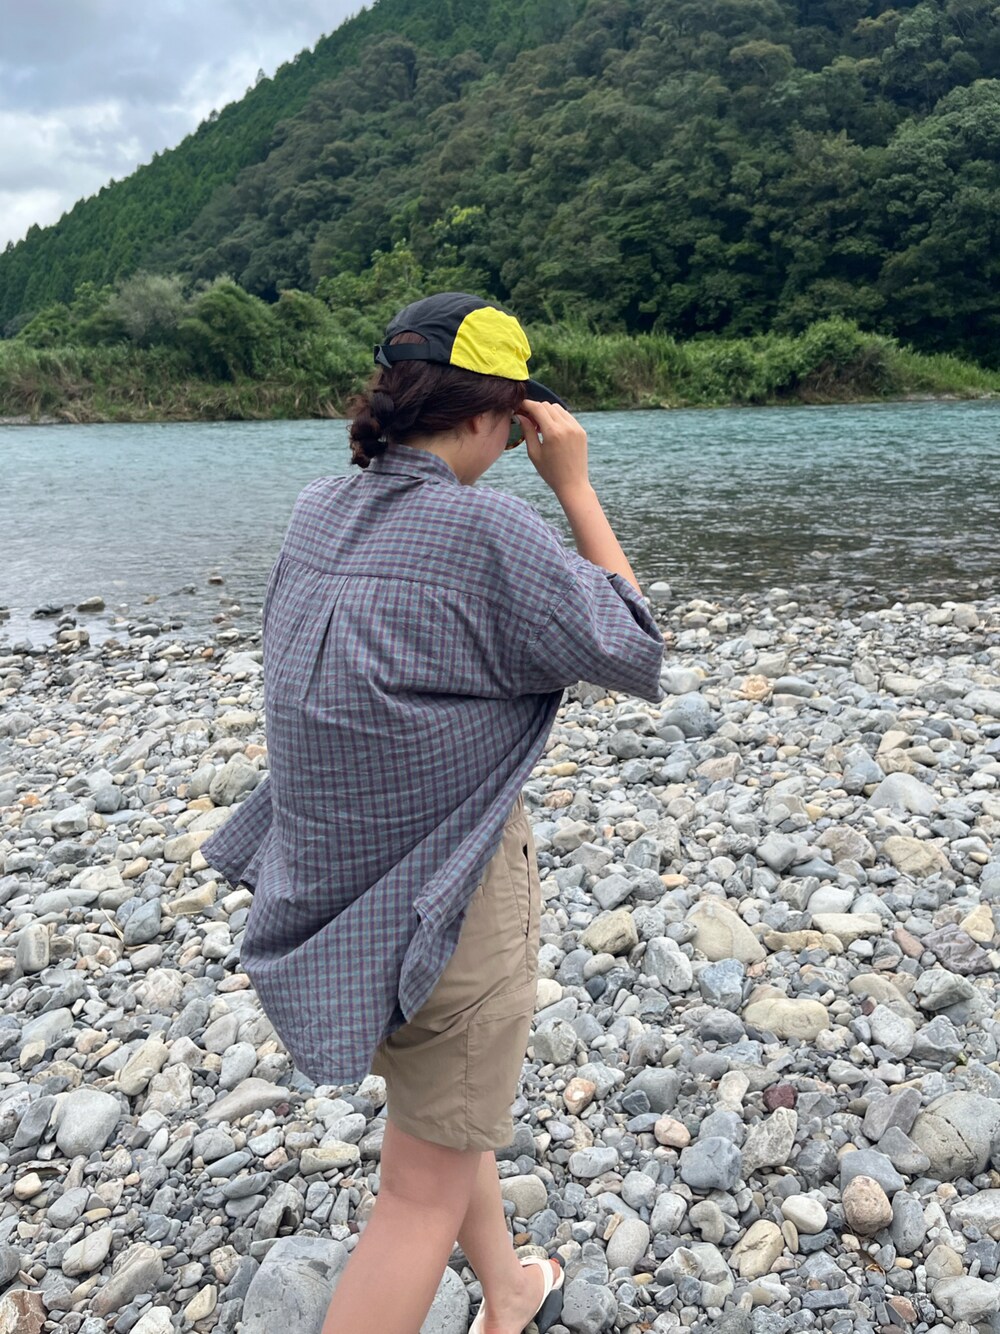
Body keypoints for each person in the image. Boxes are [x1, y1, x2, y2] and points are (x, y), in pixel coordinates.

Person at [200, 292, 665, 1334]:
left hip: (337, 890)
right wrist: (575, 487)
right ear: (495, 414)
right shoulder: (485, 527)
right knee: (417, 1195)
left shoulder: (320, 508)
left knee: (446, 1115)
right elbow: (633, 643)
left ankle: (508, 1289)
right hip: (447, 899)